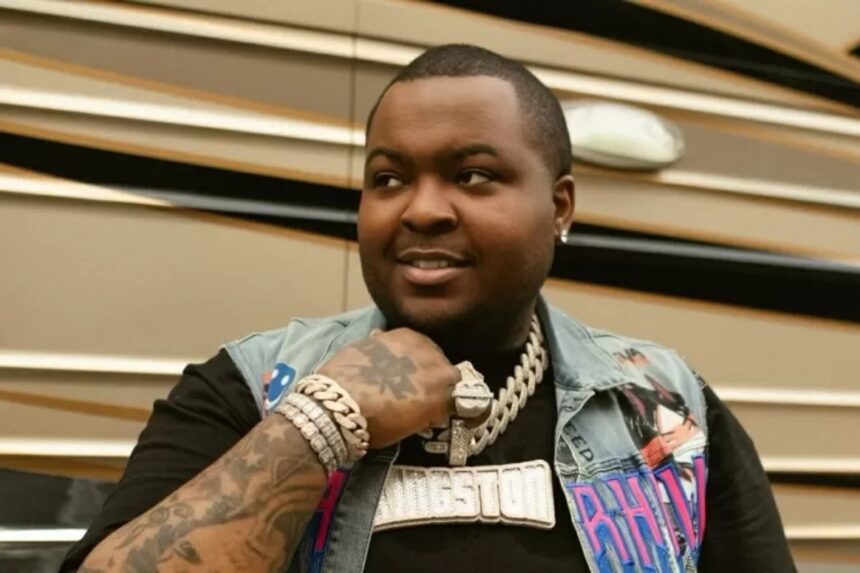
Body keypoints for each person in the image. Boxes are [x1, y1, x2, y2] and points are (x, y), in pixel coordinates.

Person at [62, 44, 795, 573]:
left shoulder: (663, 404)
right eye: (388, 178)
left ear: (559, 207)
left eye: (472, 175)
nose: (421, 209)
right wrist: (321, 422)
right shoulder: (248, 388)